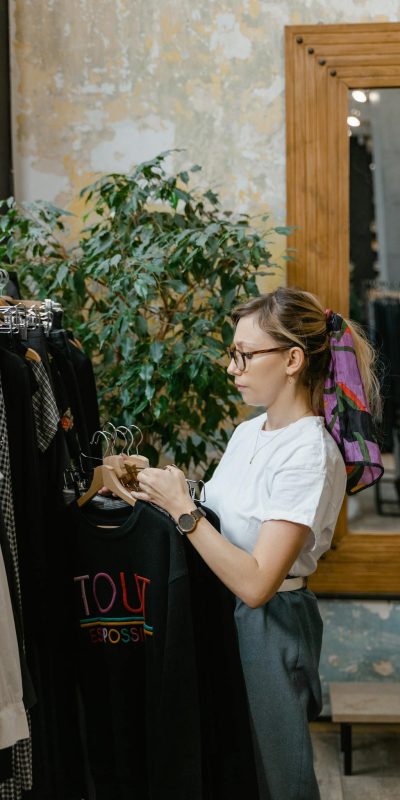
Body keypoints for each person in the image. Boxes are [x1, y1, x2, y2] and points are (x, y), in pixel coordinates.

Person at [131, 286, 383, 800]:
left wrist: (183, 509)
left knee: (277, 778)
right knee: (234, 768)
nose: (232, 367)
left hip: (268, 626)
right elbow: (226, 518)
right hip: (221, 611)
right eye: (233, 353)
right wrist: (155, 484)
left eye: (244, 354)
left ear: (292, 359)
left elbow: (257, 583)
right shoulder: (250, 432)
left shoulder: (311, 454)